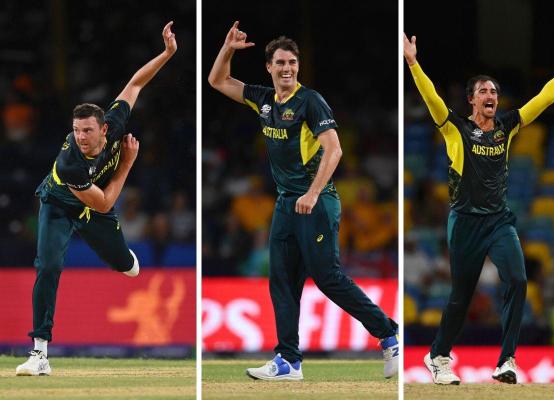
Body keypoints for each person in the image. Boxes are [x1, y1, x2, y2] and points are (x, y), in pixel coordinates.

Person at [404, 30, 554, 385]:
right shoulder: (455, 129)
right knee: (460, 298)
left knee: (519, 279)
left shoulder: (506, 126)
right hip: (464, 223)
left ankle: (507, 359)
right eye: (484, 92)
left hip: (498, 222)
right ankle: (438, 356)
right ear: (471, 101)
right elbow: (432, 99)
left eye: (494, 91)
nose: (491, 95)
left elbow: (544, 99)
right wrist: (414, 64)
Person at [208, 21, 399, 380]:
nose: (286, 69)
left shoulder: (310, 101)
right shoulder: (264, 101)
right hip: (286, 204)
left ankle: (389, 335)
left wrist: (312, 193)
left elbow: (335, 149)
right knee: (281, 280)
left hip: (317, 201)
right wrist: (228, 49)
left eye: (292, 63)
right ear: (269, 67)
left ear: (298, 67)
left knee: (328, 278)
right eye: (280, 63)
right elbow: (218, 81)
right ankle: (288, 361)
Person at [16, 21, 178, 376]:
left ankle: (120, 257)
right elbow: (104, 202)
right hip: (60, 205)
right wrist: (128, 164)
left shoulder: (116, 122)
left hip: (93, 210)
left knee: (128, 268)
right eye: (76, 131)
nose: (81, 137)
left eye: (87, 130)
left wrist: (167, 53)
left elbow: (135, 83)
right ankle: (39, 353)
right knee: (48, 266)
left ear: (104, 128)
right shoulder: (70, 161)